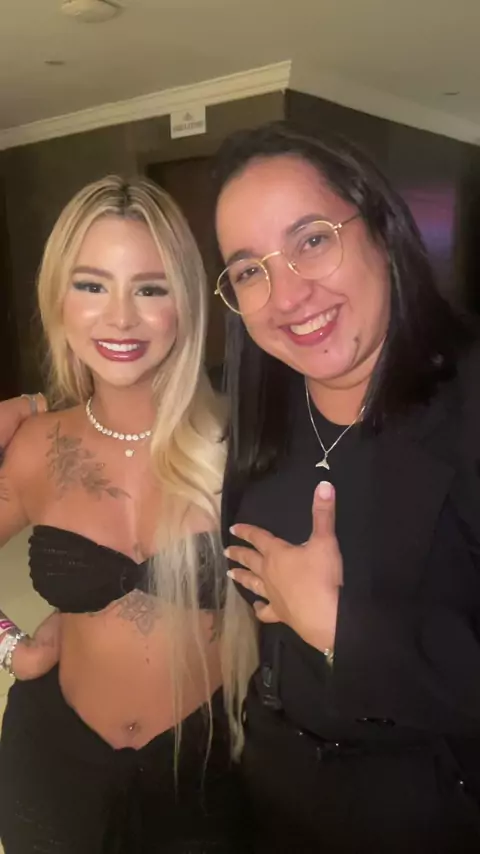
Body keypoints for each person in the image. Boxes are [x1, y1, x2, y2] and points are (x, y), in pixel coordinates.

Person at [211, 122, 480, 852]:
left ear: (382, 229)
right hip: (277, 788)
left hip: (431, 810)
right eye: (249, 271)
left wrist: (339, 628)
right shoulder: (262, 410)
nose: (286, 295)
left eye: (311, 240)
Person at [0, 175, 256, 854]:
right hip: (56, 767)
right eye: (92, 285)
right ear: (58, 299)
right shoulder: (34, 445)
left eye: (150, 288)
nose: (120, 319)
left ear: (186, 303)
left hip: (210, 763)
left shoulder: (244, 445)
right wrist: (11, 647)